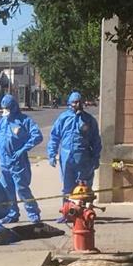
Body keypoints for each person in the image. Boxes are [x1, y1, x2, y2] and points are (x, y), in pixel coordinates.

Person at [47, 91, 102, 221]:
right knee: (67, 186)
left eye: (78, 102)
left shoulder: (88, 120)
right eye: (74, 102)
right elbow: (55, 137)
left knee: (84, 187)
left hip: (83, 157)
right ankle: (67, 213)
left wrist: (95, 157)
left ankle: (85, 213)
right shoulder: (63, 118)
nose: (76, 104)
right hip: (66, 157)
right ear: (69, 103)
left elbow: (96, 140)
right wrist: (51, 153)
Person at [0, 94, 43, 224]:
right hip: (4, 162)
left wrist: (23, 149)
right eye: (4, 108)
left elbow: (37, 136)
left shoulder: (24, 120)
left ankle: (33, 214)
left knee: (22, 189)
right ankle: (12, 213)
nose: (6, 111)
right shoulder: (2, 121)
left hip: (18, 163)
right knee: (6, 189)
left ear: (14, 107)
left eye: (8, 108)